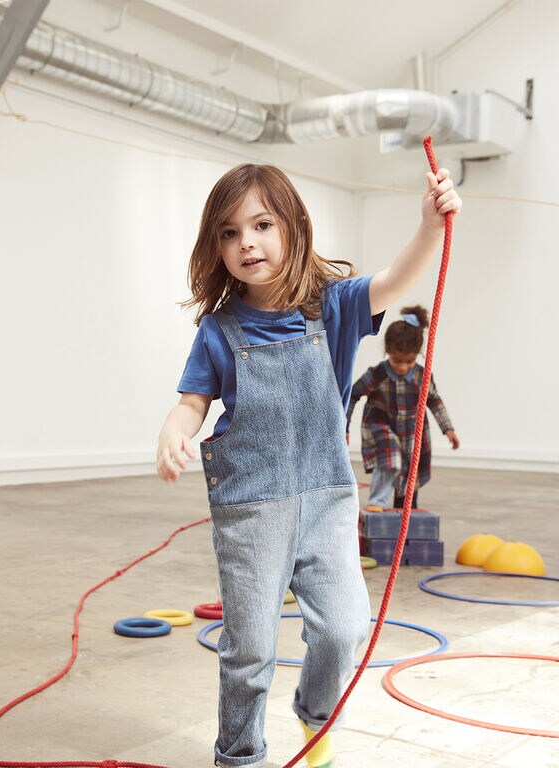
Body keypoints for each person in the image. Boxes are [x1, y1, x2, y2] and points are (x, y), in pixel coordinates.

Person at [155, 163, 461, 768]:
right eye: (228, 231)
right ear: (215, 246)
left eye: (262, 224)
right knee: (248, 649)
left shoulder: (336, 307)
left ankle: (317, 726)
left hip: (326, 499)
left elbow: (397, 280)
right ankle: (239, 756)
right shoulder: (219, 329)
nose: (246, 242)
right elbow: (193, 401)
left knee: (344, 627)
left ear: (293, 227)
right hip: (251, 509)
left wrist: (430, 225)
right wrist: (175, 429)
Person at [346, 306, 460, 512]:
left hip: (411, 433)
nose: (403, 367)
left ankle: (406, 512)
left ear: (417, 355)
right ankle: (377, 502)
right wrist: (344, 427)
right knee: (391, 458)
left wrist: (448, 428)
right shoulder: (377, 374)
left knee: (409, 474)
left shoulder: (421, 376)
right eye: (397, 360)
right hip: (381, 427)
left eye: (409, 361)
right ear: (387, 351)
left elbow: (434, 401)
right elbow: (352, 395)